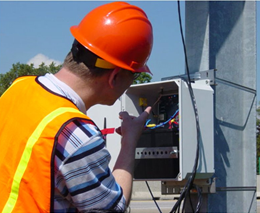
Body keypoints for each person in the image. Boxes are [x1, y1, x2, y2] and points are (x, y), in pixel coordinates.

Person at [0, 2, 153, 212]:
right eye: (133, 75)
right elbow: (112, 208)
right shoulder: (77, 134)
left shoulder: (19, 87)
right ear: (115, 76)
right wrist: (130, 141)